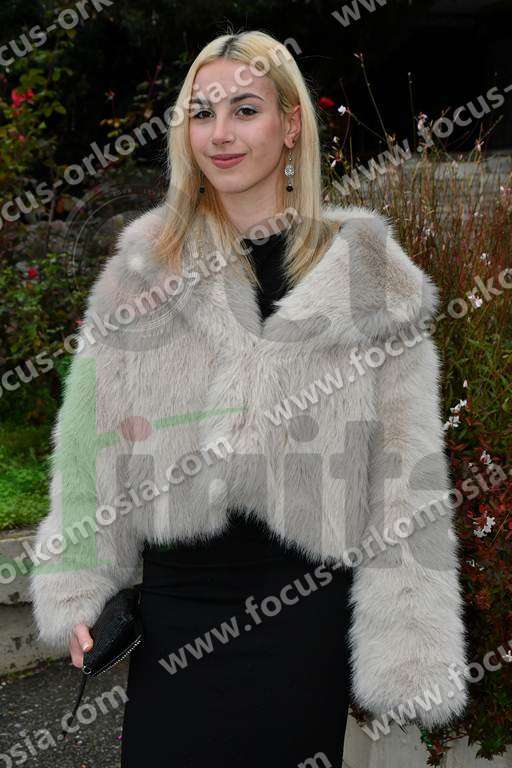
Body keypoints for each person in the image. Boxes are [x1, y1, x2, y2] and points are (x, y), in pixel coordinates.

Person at [29, 29, 469, 767]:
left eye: (245, 109)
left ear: (290, 124)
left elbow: (407, 475)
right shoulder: (146, 269)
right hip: (175, 609)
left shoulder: (366, 278)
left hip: (302, 614)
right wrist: (77, 581)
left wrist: (411, 644)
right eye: (202, 113)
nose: (221, 133)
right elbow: (88, 443)